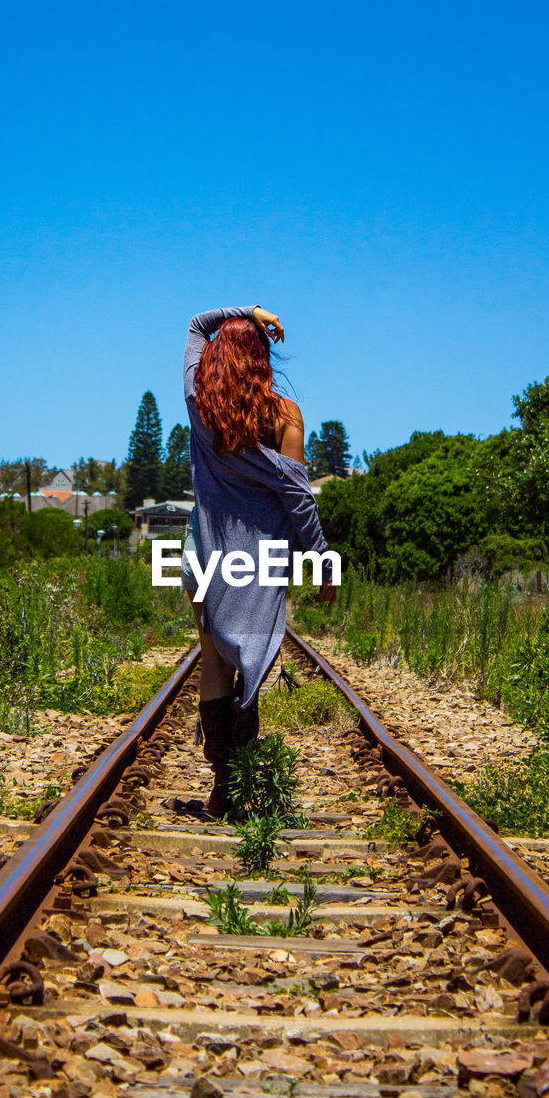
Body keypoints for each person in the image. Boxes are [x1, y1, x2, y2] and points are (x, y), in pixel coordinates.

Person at [180, 305, 337, 819]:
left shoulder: (198, 407)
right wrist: (321, 559)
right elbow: (298, 497)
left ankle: (224, 783)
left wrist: (247, 310)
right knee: (250, 661)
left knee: (214, 660)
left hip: (206, 549)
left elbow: (196, 325)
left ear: (216, 360)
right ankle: (243, 780)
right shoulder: (285, 416)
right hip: (260, 557)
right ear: (263, 359)